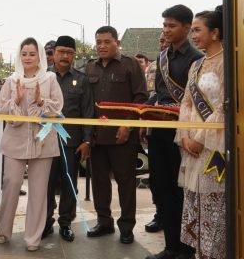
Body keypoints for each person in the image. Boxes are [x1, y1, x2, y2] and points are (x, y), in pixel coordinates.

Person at [146, 5, 203, 259]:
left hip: (184, 135)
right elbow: (159, 93)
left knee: (183, 191)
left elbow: (196, 101)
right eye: (164, 26)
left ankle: (187, 249)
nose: (166, 30)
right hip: (160, 132)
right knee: (162, 188)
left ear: (187, 28)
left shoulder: (197, 58)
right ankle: (170, 246)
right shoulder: (162, 58)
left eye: (172, 26)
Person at [0, 37, 64, 252]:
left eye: (32, 54)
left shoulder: (50, 79)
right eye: (24, 53)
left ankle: (33, 238)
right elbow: (1, 109)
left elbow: (58, 107)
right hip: (15, 141)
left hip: (43, 142)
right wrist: (16, 100)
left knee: (39, 191)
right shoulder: (11, 80)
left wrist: (41, 101)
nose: (27, 58)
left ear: (40, 56)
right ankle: (3, 230)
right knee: (11, 184)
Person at [84, 26, 149, 245]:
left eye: (106, 41)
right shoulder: (89, 67)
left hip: (123, 137)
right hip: (97, 137)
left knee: (126, 183)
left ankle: (127, 227)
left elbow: (141, 98)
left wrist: (128, 125)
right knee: (100, 183)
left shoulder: (130, 65)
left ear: (117, 43)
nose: (101, 46)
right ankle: (104, 222)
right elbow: (86, 104)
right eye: (98, 42)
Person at [175, 8, 225, 259]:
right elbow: (186, 103)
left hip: (214, 147)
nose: (193, 34)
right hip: (191, 144)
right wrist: (185, 136)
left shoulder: (228, 63)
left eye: (197, 30)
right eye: (192, 30)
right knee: (194, 203)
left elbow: (226, 108)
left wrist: (199, 138)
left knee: (214, 203)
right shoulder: (196, 65)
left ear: (215, 32)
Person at [44, 35, 94, 242]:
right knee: (44, 183)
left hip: (71, 142)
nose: (65, 56)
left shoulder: (81, 80)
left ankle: (65, 223)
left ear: (74, 55)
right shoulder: (43, 77)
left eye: (69, 52)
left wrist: (87, 141)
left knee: (69, 183)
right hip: (45, 140)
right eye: (61, 52)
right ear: (53, 54)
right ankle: (45, 221)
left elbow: (88, 112)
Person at [142, 33, 169, 234]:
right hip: (155, 125)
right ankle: (160, 214)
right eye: (160, 40)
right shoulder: (154, 65)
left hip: (179, 127)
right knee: (157, 177)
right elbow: (151, 96)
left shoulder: (194, 61)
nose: (164, 42)